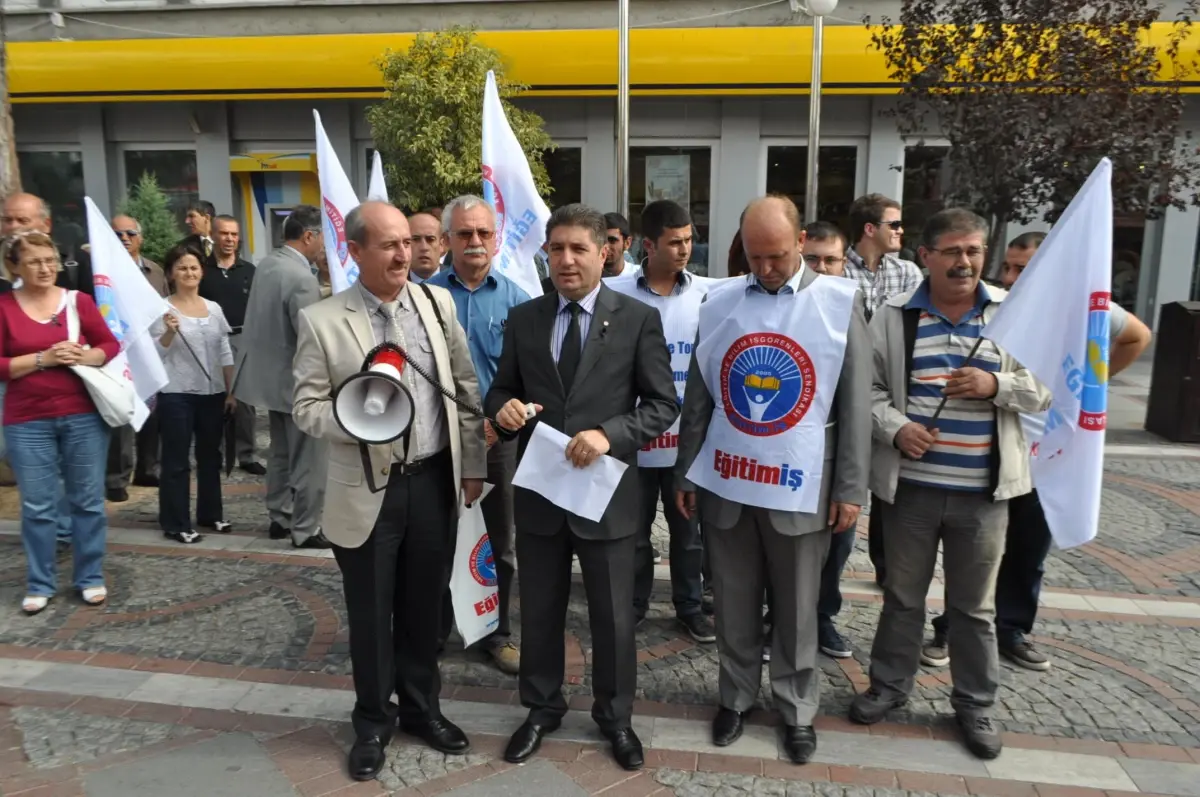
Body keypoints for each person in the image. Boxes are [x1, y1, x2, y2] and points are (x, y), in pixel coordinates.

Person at [293, 201, 486, 781]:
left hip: (432, 480)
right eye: (388, 244)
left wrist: (471, 464)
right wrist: (357, 420)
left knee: (425, 610)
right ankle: (374, 722)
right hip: (367, 491)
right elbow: (304, 407)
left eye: (408, 242)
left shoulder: (437, 301)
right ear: (355, 251)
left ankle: (423, 710)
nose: (405, 253)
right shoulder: (323, 320)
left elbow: (465, 386)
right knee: (373, 614)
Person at [674, 196, 870, 765]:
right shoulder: (721, 301)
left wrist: (850, 488)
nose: (765, 268)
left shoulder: (837, 304)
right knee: (733, 602)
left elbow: (856, 404)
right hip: (727, 484)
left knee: (797, 606)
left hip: (802, 487)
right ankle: (735, 698)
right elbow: (699, 395)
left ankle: (796, 708)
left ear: (802, 239)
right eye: (755, 257)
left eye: (777, 256)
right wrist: (689, 469)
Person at [851, 209, 1051, 760]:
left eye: (974, 251)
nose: (965, 261)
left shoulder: (1013, 313)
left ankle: (975, 703)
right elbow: (864, 391)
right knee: (902, 600)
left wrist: (995, 384)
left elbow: (1047, 389)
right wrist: (898, 429)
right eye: (953, 251)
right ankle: (889, 688)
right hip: (910, 490)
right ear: (926, 256)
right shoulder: (895, 317)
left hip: (984, 496)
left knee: (973, 609)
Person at [486, 203, 677, 771]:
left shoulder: (638, 319)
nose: (565, 260)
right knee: (539, 610)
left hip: (608, 498)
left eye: (578, 249)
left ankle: (615, 717)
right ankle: (541, 708)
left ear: (604, 253)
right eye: (556, 248)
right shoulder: (525, 319)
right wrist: (508, 410)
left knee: (614, 616)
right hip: (543, 495)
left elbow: (664, 405)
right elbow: (499, 393)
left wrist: (610, 434)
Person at [922, 232, 1152, 672]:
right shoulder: (1001, 307)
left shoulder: (1084, 308)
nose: (1012, 277)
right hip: (1000, 450)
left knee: (1028, 551)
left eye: (1024, 269)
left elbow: (1137, 336)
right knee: (976, 554)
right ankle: (951, 626)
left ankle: (1012, 629)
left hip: (1046, 453)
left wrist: (1086, 388)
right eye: (1008, 267)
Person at [427, 195, 530, 675]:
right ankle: (433, 627)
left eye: (483, 233)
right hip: (434, 440)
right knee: (434, 535)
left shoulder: (519, 302)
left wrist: (502, 421)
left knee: (499, 542)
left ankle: (498, 633)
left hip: (497, 441)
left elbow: (530, 380)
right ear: (446, 241)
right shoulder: (423, 297)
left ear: (496, 237)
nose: (474, 242)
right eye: (464, 234)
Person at [606, 199, 715, 643]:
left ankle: (690, 605)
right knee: (632, 533)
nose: (685, 249)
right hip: (633, 439)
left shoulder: (709, 294)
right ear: (648, 245)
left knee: (688, 532)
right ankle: (633, 604)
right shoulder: (616, 295)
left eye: (689, 239)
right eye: (674, 242)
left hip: (687, 444)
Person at [0, 231, 119, 614]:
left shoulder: (77, 301)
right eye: (34, 261)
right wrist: (42, 359)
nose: (45, 267)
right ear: (13, 266)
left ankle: (90, 577)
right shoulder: (4, 307)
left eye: (50, 259)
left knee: (87, 501)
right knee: (37, 505)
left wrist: (85, 357)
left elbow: (111, 345)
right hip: (26, 419)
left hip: (83, 415)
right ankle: (40, 582)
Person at [234, 205, 330, 549]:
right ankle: (305, 528)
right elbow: (310, 336)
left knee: (279, 453)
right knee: (309, 459)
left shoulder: (269, 264)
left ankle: (280, 516)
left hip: (269, 380)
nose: (324, 246)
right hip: (297, 382)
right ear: (309, 236)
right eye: (322, 238)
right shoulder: (302, 276)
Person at [843, 194, 923, 588]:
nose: (901, 231)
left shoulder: (907, 273)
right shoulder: (837, 268)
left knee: (888, 480)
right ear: (870, 229)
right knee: (855, 475)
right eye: (894, 224)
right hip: (848, 384)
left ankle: (887, 566)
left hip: (889, 386)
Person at [151, 245, 237, 544]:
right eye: (182, 268)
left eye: (194, 267)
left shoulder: (213, 308)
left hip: (212, 393)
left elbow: (224, 350)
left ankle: (210, 513)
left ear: (202, 271)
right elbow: (153, 354)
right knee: (176, 460)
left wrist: (231, 390)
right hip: (176, 393)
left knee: (211, 456)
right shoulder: (161, 309)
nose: (189, 273)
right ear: (171, 273)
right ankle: (175, 522)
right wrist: (169, 332)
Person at [105, 214, 168, 502]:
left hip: (149, 352)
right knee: (120, 419)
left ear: (140, 238)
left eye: (130, 233)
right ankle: (117, 478)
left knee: (152, 414)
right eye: (117, 234)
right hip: (115, 354)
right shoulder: (103, 272)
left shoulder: (155, 272)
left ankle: (148, 467)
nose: (124, 238)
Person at [200, 214, 262, 475]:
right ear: (213, 235)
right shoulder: (202, 270)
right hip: (211, 340)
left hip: (243, 338)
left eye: (234, 234)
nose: (229, 239)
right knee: (215, 396)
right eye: (224, 233)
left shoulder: (250, 271)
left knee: (245, 399)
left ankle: (247, 454)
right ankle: (215, 451)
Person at [2, 193, 94, 296]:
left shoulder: (75, 262)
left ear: (46, 225)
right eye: (7, 220)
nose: (13, 226)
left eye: (22, 220)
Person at [408, 211, 446, 283]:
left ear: (441, 244)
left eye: (430, 239)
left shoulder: (460, 282)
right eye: (416, 239)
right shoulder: (392, 285)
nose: (424, 247)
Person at [603, 212, 635, 277]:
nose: (605, 247)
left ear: (627, 243)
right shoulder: (586, 279)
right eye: (601, 241)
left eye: (612, 240)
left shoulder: (639, 277)